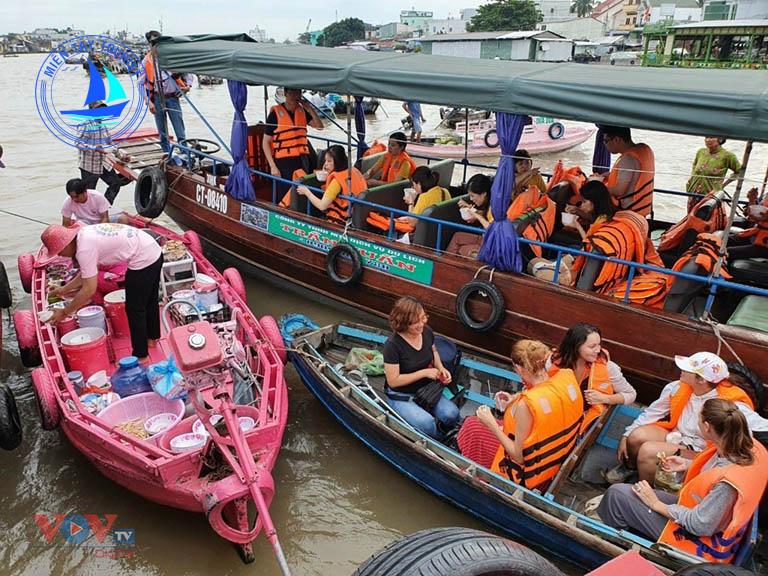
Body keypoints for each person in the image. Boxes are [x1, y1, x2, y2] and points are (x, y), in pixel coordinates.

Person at [598, 398, 768, 564]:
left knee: (616, 496)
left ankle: (614, 549)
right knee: (627, 492)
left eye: (699, 419)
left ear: (707, 427)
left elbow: (700, 525)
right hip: (704, 514)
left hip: (699, 542)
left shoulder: (727, 485)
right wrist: (687, 465)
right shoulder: (746, 447)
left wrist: (656, 503)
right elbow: (718, 469)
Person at [611, 352, 756, 484]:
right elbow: (652, 413)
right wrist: (626, 434)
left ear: (701, 380)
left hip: (701, 449)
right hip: (677, 436)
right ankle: (631, 469)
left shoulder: (730, 404)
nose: (681, 370)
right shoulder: (676, 387)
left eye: (687, 369)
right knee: (636, 437)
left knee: (648, 451)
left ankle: (646, 489)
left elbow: (749, 433)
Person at [42, 223, 163, 362]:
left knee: (135, 308)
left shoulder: (84, 250)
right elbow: (86, 274)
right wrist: (64, 289)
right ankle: (152, 338)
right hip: (153, 249)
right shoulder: (84, 235)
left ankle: (141, 355)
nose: (59, 254)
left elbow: (89, 289)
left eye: (59, 250)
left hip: (143, 259)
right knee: (150, 300)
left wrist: (64, 312)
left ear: (66, 244)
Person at [476, 339, 584, 490]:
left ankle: (480, 479)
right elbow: (546, 402)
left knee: (471, 427)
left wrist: (491, 424)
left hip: (524, 473)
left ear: (519, 369)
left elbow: (518, 457)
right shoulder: (565, 377)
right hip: (552, 463)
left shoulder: (526, 405)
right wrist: (514, 398)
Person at [382, 296, 460, 439]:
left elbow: (434, 351)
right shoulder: (392, 346)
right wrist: (424, 373)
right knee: (426, 423)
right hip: (402, 395)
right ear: (403, 323)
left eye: (423, 318)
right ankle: (436, 440)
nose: (421, 324)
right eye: (415, 322)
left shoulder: (426, 331)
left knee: (452, 414)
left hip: (426, 390)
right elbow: (393, 381)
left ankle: (448, 435)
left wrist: (441, 368)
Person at [569, 180, 662, 294]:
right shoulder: (610, 214)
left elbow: (588, 244)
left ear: (594, 201)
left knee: (568, 249)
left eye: (584, 202)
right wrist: (578, 211)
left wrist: (577, 225)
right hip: (607, 264)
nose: (581, 205)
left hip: (592, 263)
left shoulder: (601, 221)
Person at [551, 323, 636, 434]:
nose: (598, 350)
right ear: (575, 346)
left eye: (599, 345)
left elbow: (631, 394)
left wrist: (605, 398)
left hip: (580, 423)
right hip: (556, 414)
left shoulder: (608, 367)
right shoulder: (553, 361)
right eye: (592, 347)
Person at [262, 87, 324, 201]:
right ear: (285, 94)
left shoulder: (302, 111)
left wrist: (309, 109)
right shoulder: (275, 114)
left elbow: (320, 126)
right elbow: (265, 142)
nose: (296, 95)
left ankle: (302, 210)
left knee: (301, 189)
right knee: (285, 191)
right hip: (284, 161)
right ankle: (283, 211)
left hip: (302, 159)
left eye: (299, 92)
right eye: (293, 92)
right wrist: (273, 166)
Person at [141, 30, 191, 154]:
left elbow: (189, 73)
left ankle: (184, 153)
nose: (157, 46)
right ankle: (166, 153)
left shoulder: (173, 58)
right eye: (153, 43)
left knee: (179, 129)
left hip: (173, 97)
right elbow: (140, 84)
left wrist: (188, 86)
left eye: (159, 43)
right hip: (157, 98)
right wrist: (149, 102)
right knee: (162, 130)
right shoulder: (146, 62)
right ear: (149, 45)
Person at [295, 145, 367, 224]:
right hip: (359, 216)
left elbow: (322, 206)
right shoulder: (354, 170)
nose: (325, 164)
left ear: (337, 162)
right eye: (325, 161)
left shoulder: (336, 182)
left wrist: (306, 192)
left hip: (341, 221)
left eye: (329, 161)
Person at [77, 101, 131, 204]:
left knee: (115, 184)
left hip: (103, 163)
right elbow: (78, 144)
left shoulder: (102, 125)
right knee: (89, 194)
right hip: (89, 166)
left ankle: (105, 206)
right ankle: (90, 214)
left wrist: (121, 156)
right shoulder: (85, 125)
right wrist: (94, 148)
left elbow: (110, 144)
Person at [597, 125, 655, 217]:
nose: (604, 145)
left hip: (628, 212)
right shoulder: (644, 149)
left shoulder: (628, 159)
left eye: (606, 141)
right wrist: (610, 175)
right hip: (643, 209)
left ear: (616, 140)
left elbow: (619, 190)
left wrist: (598, 187)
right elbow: (635, 175)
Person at [446, 174, 493, 258]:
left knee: (461, 249)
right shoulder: (489, 204)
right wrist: (469, 208)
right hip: (485, 238)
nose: (471, 199)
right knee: (457, 236)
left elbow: (491, 228)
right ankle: (446, 262)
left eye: (472, 196)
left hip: (491, 244)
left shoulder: (494, 206)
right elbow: (484, 213)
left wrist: (475, 215)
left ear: (483, 193)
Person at [686, 137, 742, 206]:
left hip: (711, 196)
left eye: (711, 137)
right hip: (693, 193)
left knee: (706, 215)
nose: (707, 140)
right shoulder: (701, 152)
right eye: (706, 137)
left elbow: (739, 172)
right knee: (691, 215)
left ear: (720, 139)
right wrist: (690, 180)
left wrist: (723, 185)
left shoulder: (728, 156)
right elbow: (694, 166)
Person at [398, 166, 450, 230]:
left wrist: (411, 203)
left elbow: (412, 223)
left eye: (414, 184)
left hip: (427, 233)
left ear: (419, 184)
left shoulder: (424, 197)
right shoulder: (445, 191)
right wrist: (407, 218)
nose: (413, 187)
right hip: (442, 229)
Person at [61, 178, 130, 226]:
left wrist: (99, 231)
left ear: (85, 192)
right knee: (80, 224)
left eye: (76, 196)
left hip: (100, 222)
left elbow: (105, 218)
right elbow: (65, 224)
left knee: (123, 219)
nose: (74, 199)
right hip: (84, 224)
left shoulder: (97, 196)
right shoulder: (68, 202)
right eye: (71, 197)